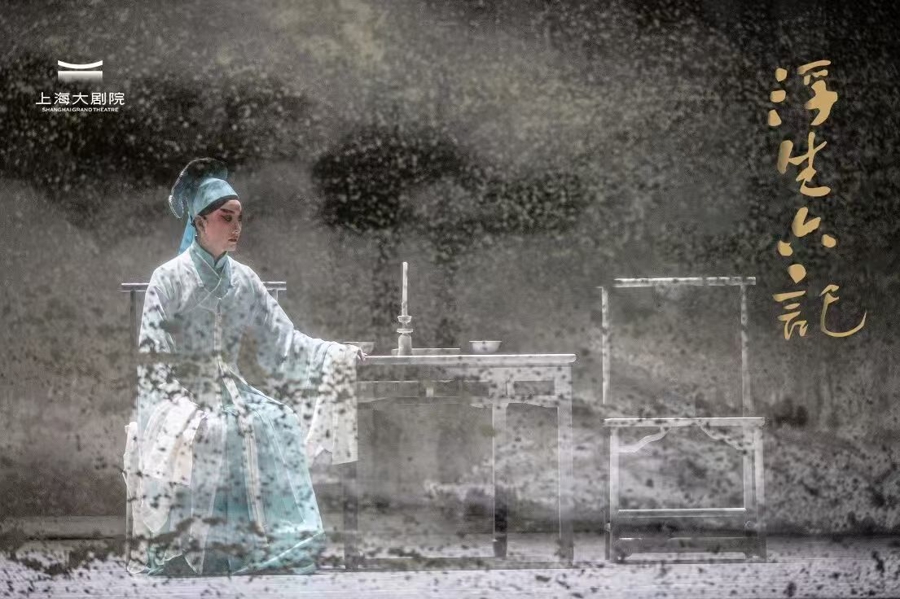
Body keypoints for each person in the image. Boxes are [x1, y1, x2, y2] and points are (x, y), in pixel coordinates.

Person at [123, 158, 363, 576]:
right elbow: (153, 358)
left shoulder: (245, 279)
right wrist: (180, 405)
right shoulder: (169, 278)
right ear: (200, 222)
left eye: (239, 218)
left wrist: (335, 352)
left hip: (233, 388)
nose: (236, 227)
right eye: (225, 217)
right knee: (216, 430)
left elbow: (285, 340)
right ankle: (202, 550)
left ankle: (266, 547)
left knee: (278, 421)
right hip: (179, 392)